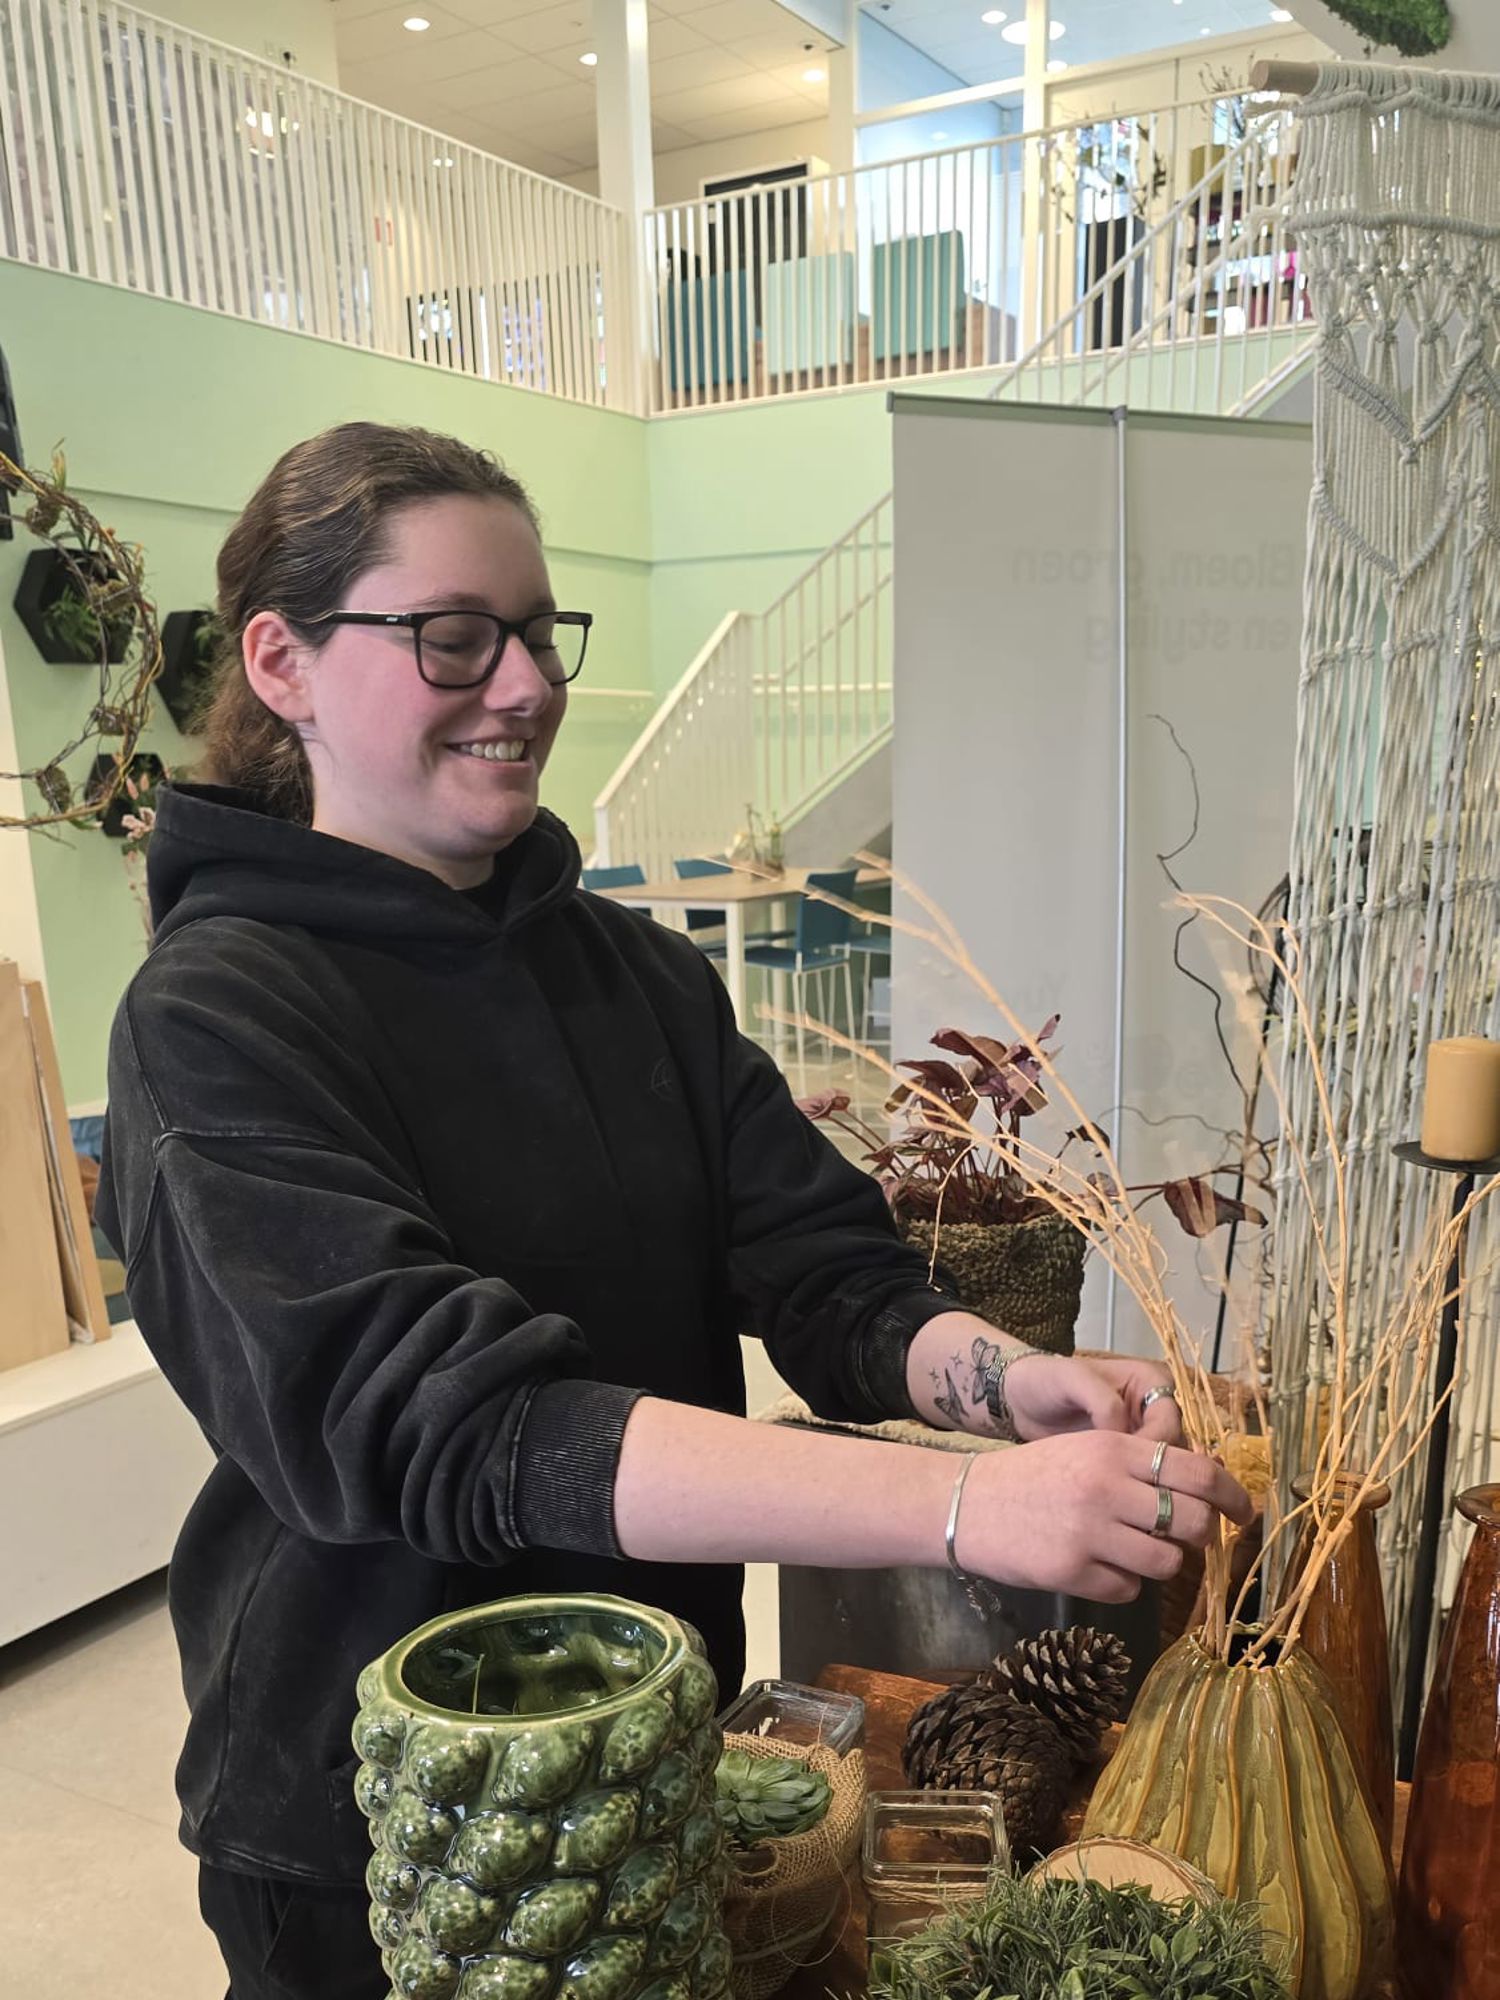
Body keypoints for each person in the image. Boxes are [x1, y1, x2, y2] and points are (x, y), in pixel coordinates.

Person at [97, 422, 1250, 1999]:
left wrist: (1003, 1383)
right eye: (453, 637)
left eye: (535, 632)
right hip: (377, 1821)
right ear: (284, 661)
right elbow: (461, 1428)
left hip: (663, 1754)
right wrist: (960, 1510)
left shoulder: (631, 972)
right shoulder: (216, 1016)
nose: (522, 686)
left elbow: (828, 1269)